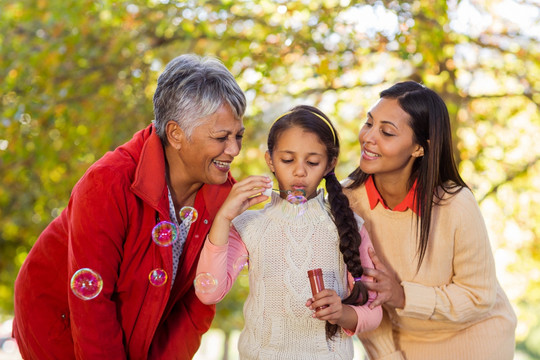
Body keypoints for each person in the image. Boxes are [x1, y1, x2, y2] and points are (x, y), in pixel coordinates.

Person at [12, 54, 247, 359]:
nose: (234, 150)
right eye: (221, 137)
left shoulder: (224, 197)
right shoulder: (108, 182)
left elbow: (195, 305)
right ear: (176, 134)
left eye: (239, 135)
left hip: (135, 332)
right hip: (59, 325)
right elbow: (92, 307)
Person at [342, 81, 517, 360]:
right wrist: (388, 356)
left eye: (386, 132)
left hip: (477, 340)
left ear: (419, 149)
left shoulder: (455, 204)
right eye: (369, 123)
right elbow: (357, 294)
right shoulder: (346, 201)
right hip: (399, 344)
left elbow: (478, 296)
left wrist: (403, 296)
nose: (368, 137)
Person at [195, 105, 382, 359]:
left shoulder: (349, 225)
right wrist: (224, 217)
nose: (299, 171)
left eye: (313, 161)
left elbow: (374, 311)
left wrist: (342, 313)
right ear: (270, 160)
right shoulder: (248, 225)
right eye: (287, 160)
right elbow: (209, 291)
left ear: (330, 164)